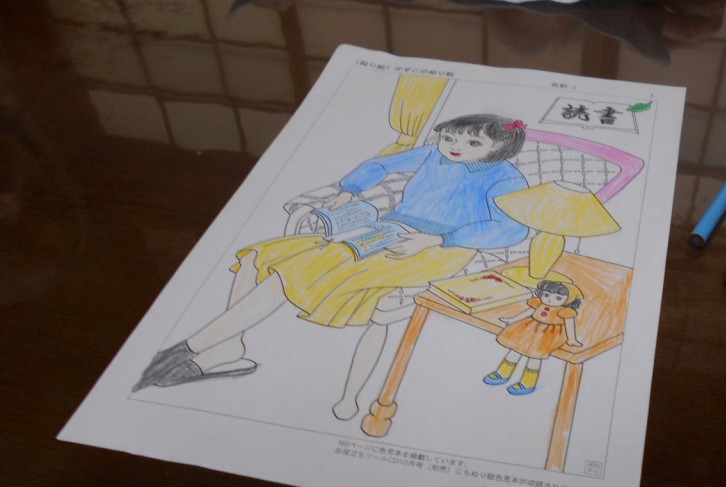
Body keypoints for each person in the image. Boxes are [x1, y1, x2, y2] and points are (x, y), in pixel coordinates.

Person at [135, 114, 530, 419]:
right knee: (259, 257)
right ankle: (226, 343)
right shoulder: (433, 154)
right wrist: (348, 190)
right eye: (450, 137)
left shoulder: (506, 178)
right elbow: (379, 165)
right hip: (388, 229)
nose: (455, 147)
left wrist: (440, 240)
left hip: (435, 250)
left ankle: (188, 348)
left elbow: (512, 229)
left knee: (299, 269)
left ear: (498, 148)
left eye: (472, 142)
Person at [483, 280, 583, 395]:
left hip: (549, 334)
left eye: (558, 298)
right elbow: (529, 312)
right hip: (530, 327)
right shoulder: (539, 304)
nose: (550, 300)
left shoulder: (565, 311)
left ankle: (528, 383)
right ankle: (502, 373)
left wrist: (571, 339)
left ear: (569, 300)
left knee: (534, 356)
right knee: (515, 348)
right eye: (546, 295)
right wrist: (512, 319)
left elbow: (569, 324)